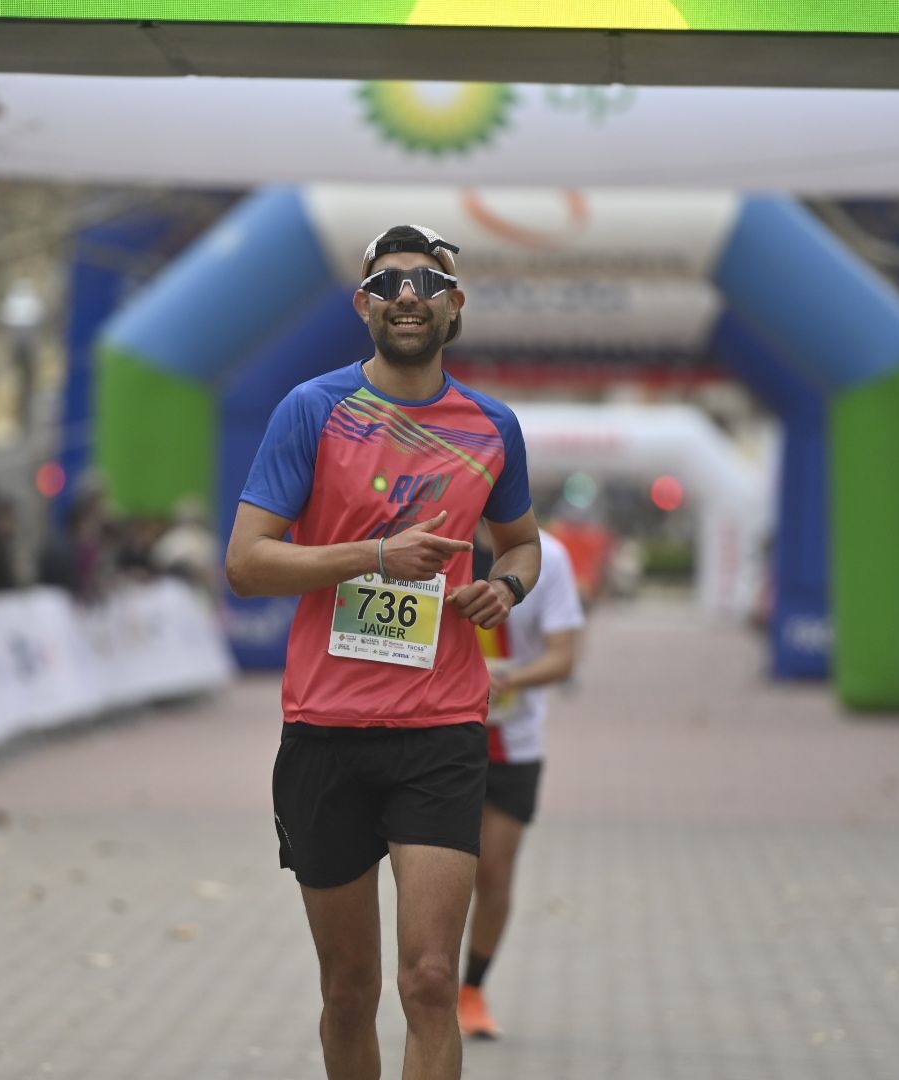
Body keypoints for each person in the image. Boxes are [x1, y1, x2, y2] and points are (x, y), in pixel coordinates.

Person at [226, 225, 541, 1080]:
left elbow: (521, 545)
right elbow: (247, 562)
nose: (410, 294)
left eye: (429, 280)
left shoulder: (492, 427)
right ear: (364, 304)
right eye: (391, 282)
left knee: (431, 979)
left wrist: (504, 590)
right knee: (349, 987)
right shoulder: (314, 410)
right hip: (325, 730)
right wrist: (375, 555)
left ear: (454, 305)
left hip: (441, 730)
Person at [458, 528, 585, 1040]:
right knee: (435, 876)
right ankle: (429, 983)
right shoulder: (431, 540)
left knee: (492, 874)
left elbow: (564, 657)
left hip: (512, 741)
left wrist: (504, 679)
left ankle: (472, 991)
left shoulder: (549, 556)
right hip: (437, 739)